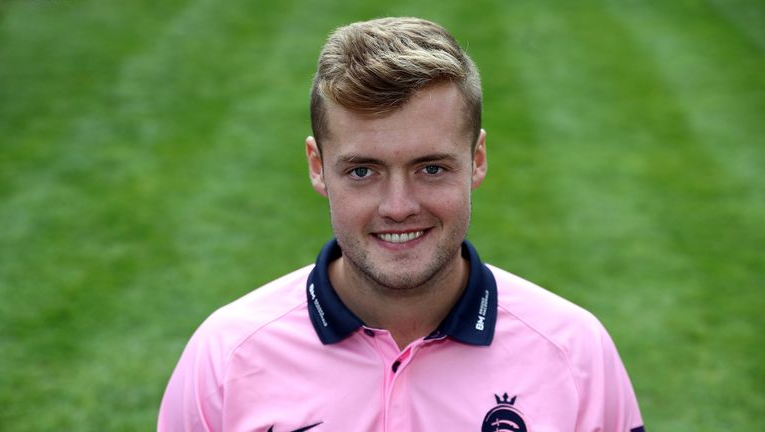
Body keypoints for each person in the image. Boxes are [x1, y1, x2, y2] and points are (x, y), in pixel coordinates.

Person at [158, 17, 645, 432]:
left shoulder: (575, 352)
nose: (398, 207)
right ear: (316, 166)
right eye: (362, 171)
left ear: (477, 159)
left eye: (430, 168)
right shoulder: (226, 357)